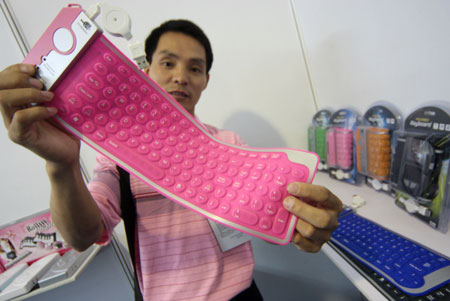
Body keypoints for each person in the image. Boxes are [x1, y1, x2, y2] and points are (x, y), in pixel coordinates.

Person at [0, 19, 342, 300]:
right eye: (167, 63)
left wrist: (304, 226)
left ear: (206, 80)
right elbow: (83, 235)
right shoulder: (119, 159)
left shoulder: (230, 144)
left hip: (242, 296)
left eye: (195, 68)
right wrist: (61, 167)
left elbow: (271, 218)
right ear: (145, 71)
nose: (181, 76)